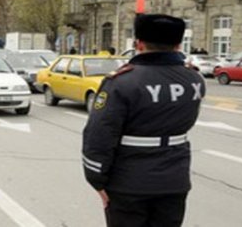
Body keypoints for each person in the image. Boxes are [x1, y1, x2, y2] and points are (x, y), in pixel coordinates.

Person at [82, 14, 206, 227]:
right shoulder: (194, 79)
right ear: (178, 45)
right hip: (174, 180)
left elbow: (100, 134)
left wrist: (96, 178)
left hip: (129, 183)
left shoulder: (122, 81)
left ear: (138, 44)